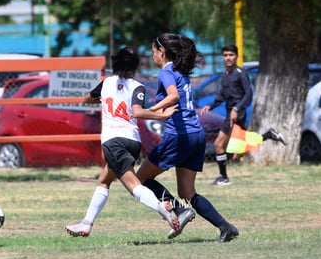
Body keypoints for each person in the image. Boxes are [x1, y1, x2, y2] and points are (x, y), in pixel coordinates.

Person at [64, 47, 180, 237]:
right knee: (104, 180)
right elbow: (137, 110)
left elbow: (86, 99)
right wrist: (160, 114)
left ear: (115, 65)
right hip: (133, 142)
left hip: (113, 142)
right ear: (134, 68)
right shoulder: (138, 87)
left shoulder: (106, 83)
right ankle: (86, 224)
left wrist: (100, 100)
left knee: (134, 186)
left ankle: (162, 208)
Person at [136, 33, 239, 242]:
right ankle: (225, 227)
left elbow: (173, 96)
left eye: (153, 51)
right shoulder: (180, 72)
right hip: (196, 135)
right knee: (187, 191)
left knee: (140, 179)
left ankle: (180, 212)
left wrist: (151, 109)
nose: (152, 55)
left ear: (161, 52)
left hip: (179, 136)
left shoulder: (166, 72)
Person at [201, 45, 286, 186]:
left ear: (236, 56)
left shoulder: (240, 73)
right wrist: (211, 105)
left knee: (218, 144)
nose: (228, 58)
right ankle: (269, 135)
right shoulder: (225, 74)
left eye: (231, 55)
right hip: (231, 112)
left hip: (237, 113)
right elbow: (222, 95)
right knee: (241, 142)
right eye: (226, 55)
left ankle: (223, 177)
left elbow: (248, 95)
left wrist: (236, 109)